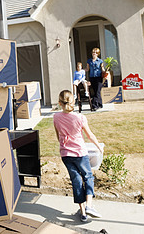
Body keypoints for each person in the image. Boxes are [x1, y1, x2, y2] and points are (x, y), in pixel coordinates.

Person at [53, 90, 104, 222]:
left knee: (76, 181)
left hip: (65, 154)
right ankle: (89, 206)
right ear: (73, 102)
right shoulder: (80, 118)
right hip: (80, 153)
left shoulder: (56, 117)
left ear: (59, 103)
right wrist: (99, 147)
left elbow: (58, 136)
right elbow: (90, 135)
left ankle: (83, 214)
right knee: (88, 177)